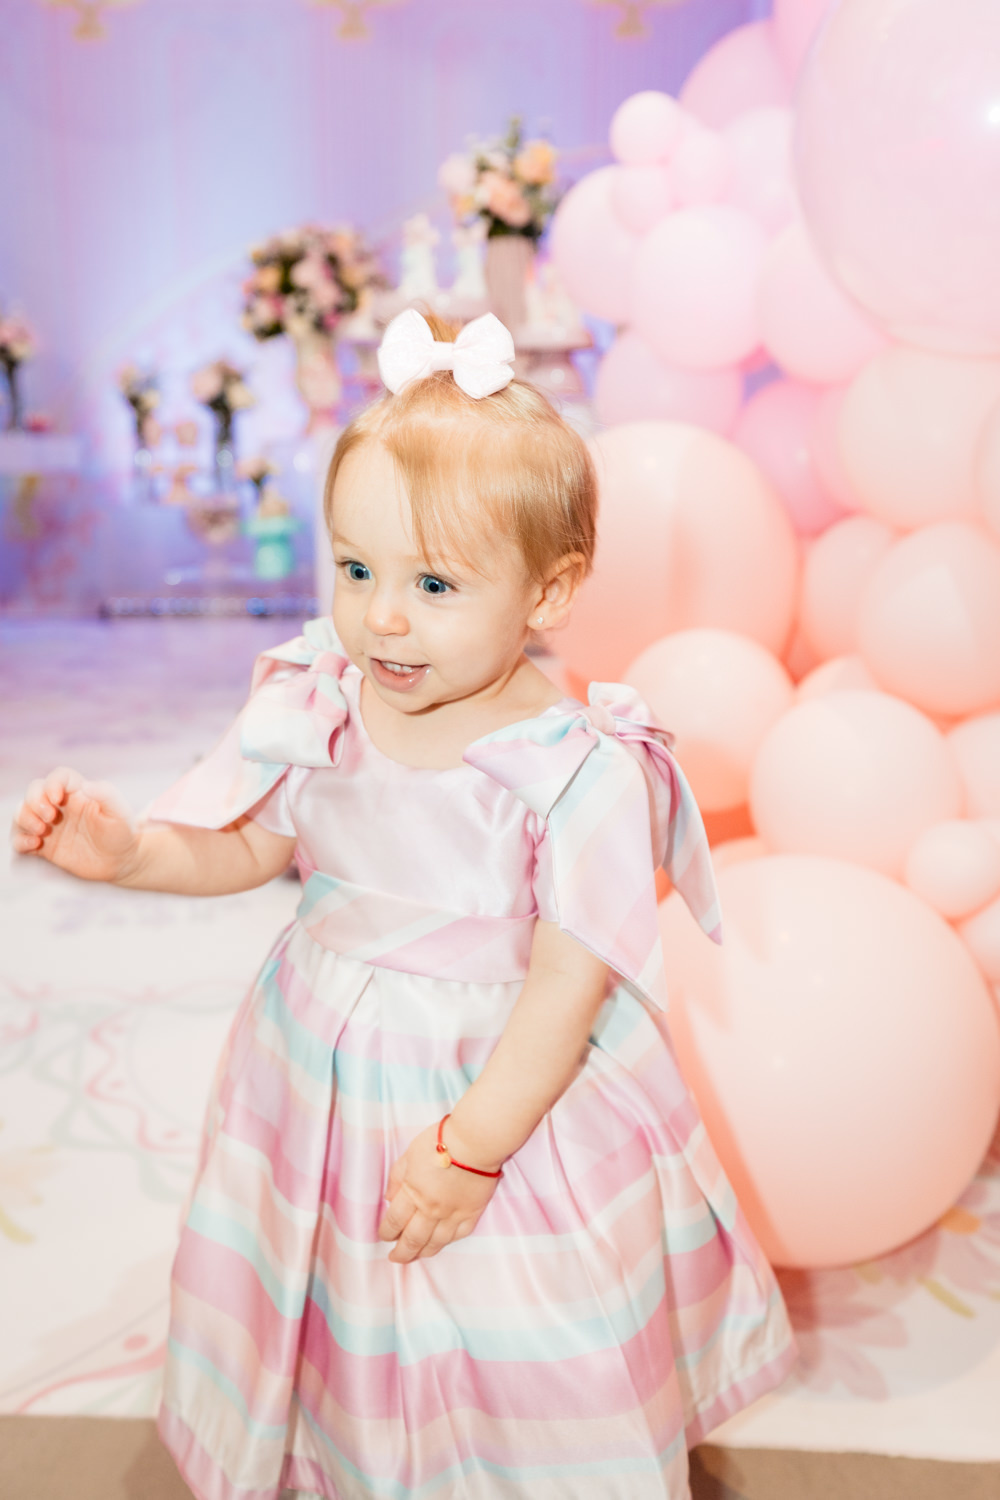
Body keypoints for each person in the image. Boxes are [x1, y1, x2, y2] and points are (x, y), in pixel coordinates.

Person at [11, 309, 795, 1500]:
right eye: (356, 569)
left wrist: (473, 1149)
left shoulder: (572, 766)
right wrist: (131, 855)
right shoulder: (318, 697)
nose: (381, 615)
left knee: (510, 1312)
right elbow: (254, 845)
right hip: (316, 1065)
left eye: (433, 583)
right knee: (336, 1280)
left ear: (548, 591)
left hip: (497, 1082)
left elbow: (566, 984)